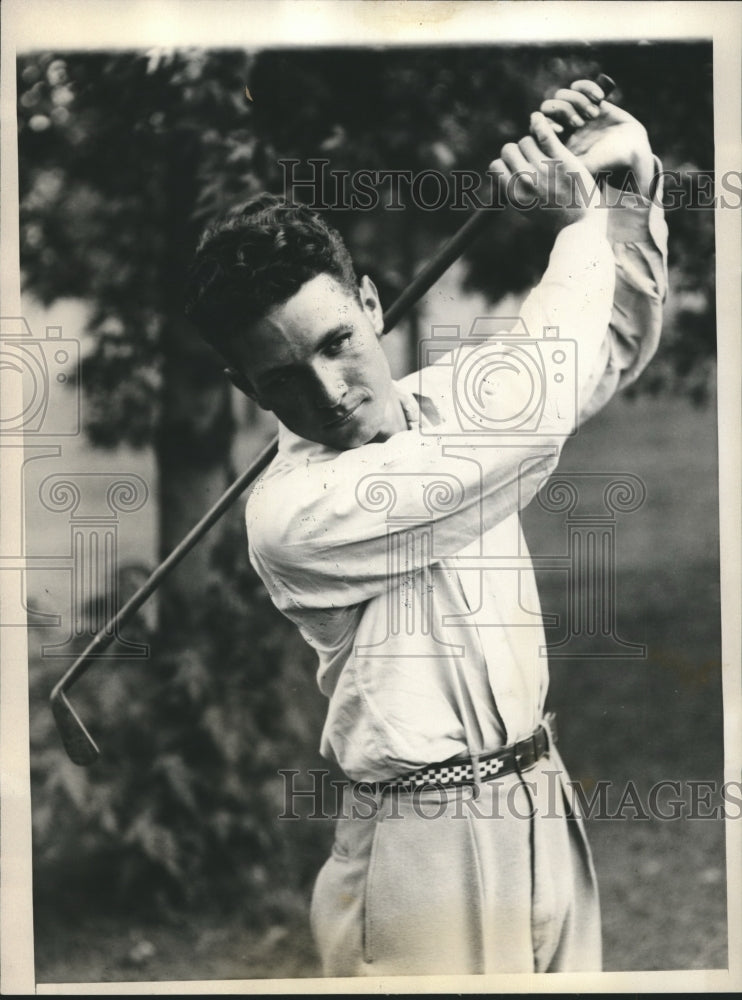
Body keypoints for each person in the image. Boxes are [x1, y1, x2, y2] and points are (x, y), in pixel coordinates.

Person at [186, 80, 668, 976]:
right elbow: (532, 417)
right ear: (251, 390)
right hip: (421, 849)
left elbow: (606, 346)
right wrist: (572, 228)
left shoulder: (447, 403)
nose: (329, 394)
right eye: (285, 378)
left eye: (336, 342)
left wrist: (619, 184)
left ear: (371, 304)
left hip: (540, 797)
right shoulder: (290, 516)